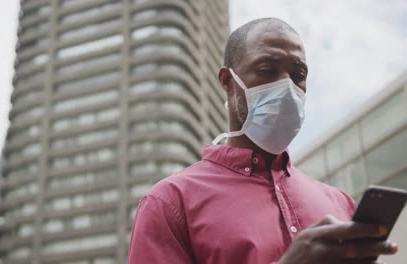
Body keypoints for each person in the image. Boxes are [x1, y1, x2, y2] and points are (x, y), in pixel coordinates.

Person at [127, 18, 398, 264]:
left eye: (298, 76)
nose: (287, 87)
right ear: (227, 82)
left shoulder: (341, 203)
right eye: (268, 70)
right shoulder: (170, 203)